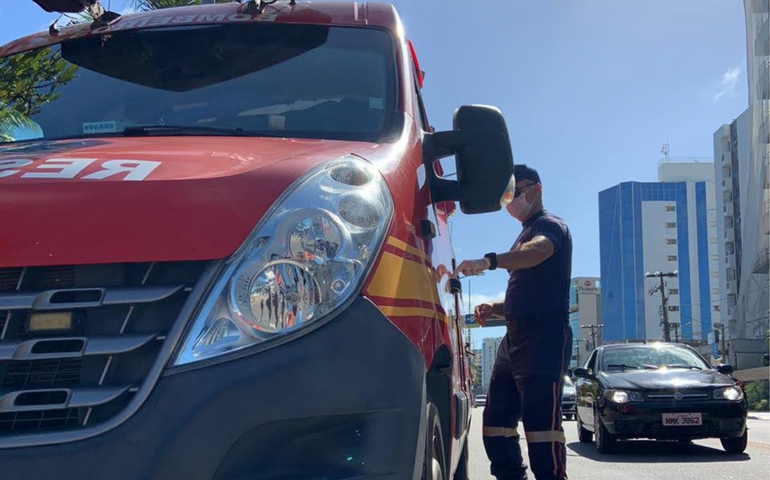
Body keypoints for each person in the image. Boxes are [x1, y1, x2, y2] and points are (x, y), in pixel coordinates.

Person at [454, 164, 572, 480]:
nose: (510, 201)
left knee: (541, 429)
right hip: (514, 339)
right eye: (507, 195)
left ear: (536, 190)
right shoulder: (524, 232)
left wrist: (491, 261)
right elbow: (529, 294)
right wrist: (495, 307)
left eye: (515, 193)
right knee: (495, 424)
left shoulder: (550, 226)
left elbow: (539, 252)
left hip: (544, 337)